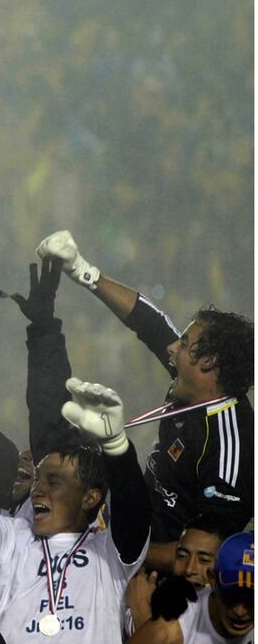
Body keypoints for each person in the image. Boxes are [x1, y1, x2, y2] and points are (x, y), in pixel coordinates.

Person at [37, 230, 254, 571]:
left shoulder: (230, 445)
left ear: (209, 362)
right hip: (132, 540)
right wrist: (84, 272)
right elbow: (151, 324)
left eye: (183, 344)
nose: (172, 348)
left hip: (160, 585)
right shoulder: (196, 387)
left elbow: (204, 553)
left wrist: (116, 551)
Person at [0, 380, 151, 644]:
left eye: (53, 481)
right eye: (37, 480)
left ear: (89, 497)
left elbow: (133, 507)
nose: (37, 490)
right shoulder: (10, 538)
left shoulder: (109, 553)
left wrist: (117, 448)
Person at [125, 531, 254, 644]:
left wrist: (143, 617)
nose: (239, 612)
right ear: (213, 581)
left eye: (251, 599)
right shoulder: (168, 633)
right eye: (231, 596)